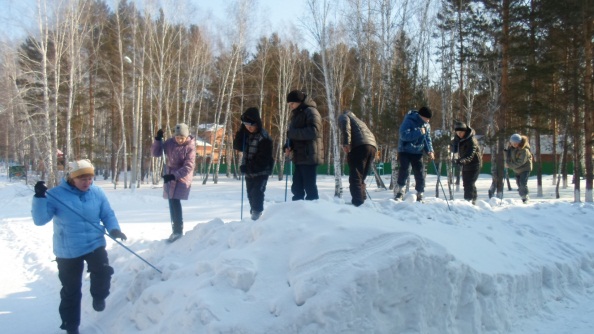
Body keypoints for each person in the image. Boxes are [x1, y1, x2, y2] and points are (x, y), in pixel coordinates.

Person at [31, 159, 127, 334]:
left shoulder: (97, 193)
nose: (87, 182)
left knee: (103, 271)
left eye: (90, 178)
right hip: (68, 249)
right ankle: (71, 326)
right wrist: (39, 198)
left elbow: (107, 213)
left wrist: (114, 229)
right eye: (82, 178)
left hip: (94, 242)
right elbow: (40, 220)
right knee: (71, 290)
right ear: (72, 178)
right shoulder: (56, 195)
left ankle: (99, 297)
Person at [151, 123, 196, 242]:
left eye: (182, 137)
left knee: (175, 201)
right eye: (177, 137)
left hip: (182, 177)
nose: (180, 140)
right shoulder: (170, 143)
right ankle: (174, 230)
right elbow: (156, 153)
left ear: (186, 136)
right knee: (171, 200)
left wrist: (174, 176)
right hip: (170, 174)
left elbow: (188, 167)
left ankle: (178, 230)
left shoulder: (190, 147)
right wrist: (158, 140)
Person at [233, 107, 274, 220]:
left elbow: (263, 159)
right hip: (249, 171)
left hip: (261, 171)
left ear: (257, 123)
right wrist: (241, 131)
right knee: (250, 193)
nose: (249, 128)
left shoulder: (264, 137)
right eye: (246, 125)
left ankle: (257, 214)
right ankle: (254, 213)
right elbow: (237, 146)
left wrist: (248, 168)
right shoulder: (246, 134)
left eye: (251, 125)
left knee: (257, 193)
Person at [284, 90, 324, 201]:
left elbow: (314, 131)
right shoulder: (297, 114)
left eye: (292, 103)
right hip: (299, 155)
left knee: (309, 186)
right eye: (289, 104)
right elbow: (293, 134)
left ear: (299, 101)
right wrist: (288, 145)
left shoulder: (311, 111)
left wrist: (293, 134)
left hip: (309, 154)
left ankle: (313, 211)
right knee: (297, 187)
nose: (291, 106)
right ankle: (297, 212)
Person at [394, 107, 435, 202]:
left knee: (419, 172)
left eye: (429, 119)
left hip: (418, 151)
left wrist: (430, 151)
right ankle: (400, 191)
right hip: (405, 150)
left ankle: (420, 193)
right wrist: (419, 132)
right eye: (426, 118)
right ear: (421, 116)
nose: (428, 121)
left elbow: (427, 139)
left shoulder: (427, 125)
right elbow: (404, 136)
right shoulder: (409, 120)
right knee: (404, 170)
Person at [338, 110, 377, 206]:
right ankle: (363, 200)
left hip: (359, 146)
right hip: (372, 146)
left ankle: (358, 203)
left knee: (355, 176)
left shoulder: (345, 116)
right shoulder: (360, 121)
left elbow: (345, 127)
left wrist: (346, 143)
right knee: (361, 176)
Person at [452, 121, 482, 204]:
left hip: (475, 164)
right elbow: (455, 150)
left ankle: (469, 200)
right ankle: (473, 200)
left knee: (470, 182)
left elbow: (470, 154)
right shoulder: (457, 139)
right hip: (465, 164)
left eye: (461, 132)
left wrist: (462, 160)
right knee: (466, 182)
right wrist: (455, 158)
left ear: (465, 131)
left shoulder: (471, 140)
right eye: (457, 132)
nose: (459, 134)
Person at [504, 133, 532, 203]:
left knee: (522, 183)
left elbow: (520, 162)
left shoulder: (524, 150)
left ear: (519, 142)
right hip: (516, 169)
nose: (514, 144)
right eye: (512, 143)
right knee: (519, 184)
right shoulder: (511, 149)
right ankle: (523, 195)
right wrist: (506, 152)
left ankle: (525, 198)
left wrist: (509, 165)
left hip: (525, 168)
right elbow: (508, 158)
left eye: (516, 143)